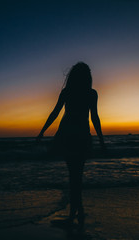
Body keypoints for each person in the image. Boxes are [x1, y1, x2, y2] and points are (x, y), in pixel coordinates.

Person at [36, 62, 105, 230]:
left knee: (74, 177)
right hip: (80, 137)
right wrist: (102, 140)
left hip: (67, 136)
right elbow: (94, 117)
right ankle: (77, 211)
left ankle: (75, 214)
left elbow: (55, 113)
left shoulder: (68, 92)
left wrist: (42, 132)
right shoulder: (91, 93)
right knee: (76, 176)